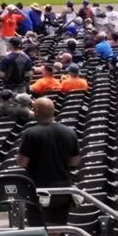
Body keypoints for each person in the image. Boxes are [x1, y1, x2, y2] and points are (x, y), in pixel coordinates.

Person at [16, 98, 80, 228]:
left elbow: (22, 163)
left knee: (37, 228)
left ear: (37, 111)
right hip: (63, 189)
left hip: (38, 189)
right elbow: (74, 161)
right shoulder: (70, 132)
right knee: (56, 228)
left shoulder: (30, 133)